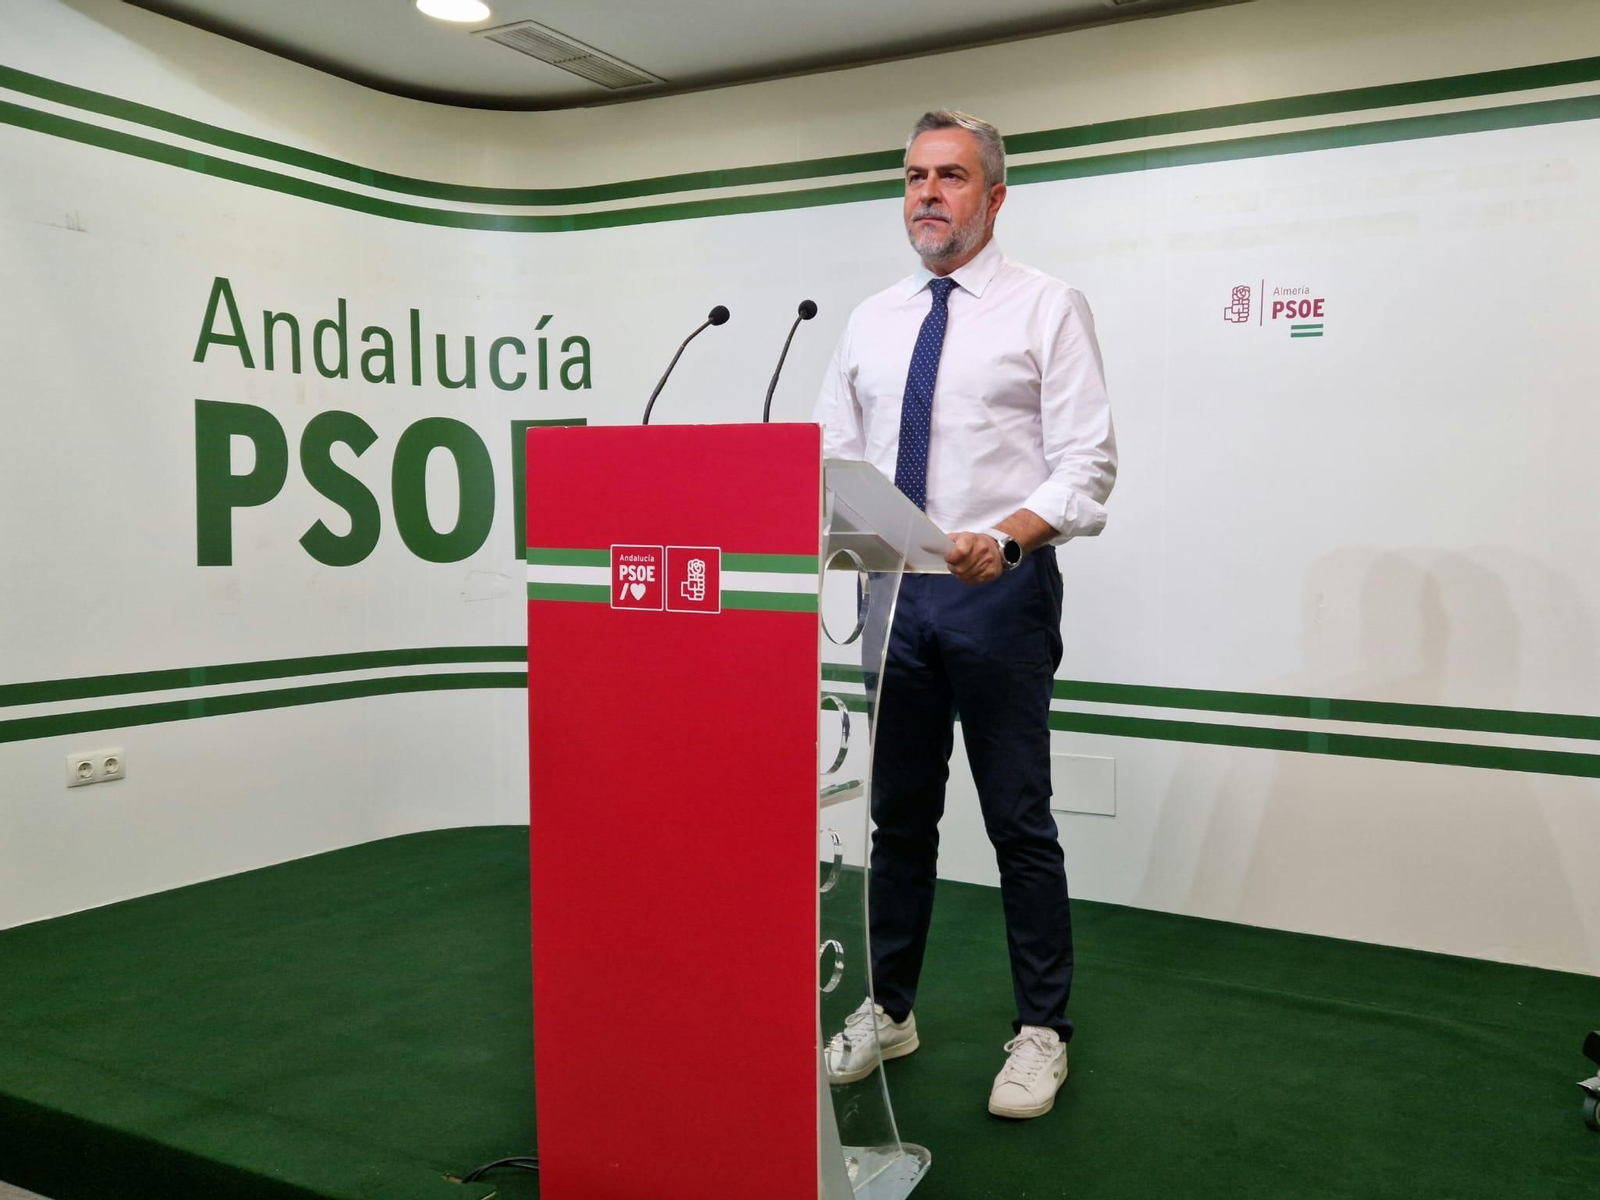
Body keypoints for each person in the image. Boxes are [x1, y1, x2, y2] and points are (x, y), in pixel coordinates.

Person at [813, 110, 1117, 1119]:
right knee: (898, 820)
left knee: (1017, 820)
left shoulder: (1046, 308)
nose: (925, 195)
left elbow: (1087, 464)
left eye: (949, 177)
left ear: (993, 195)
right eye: (911, 176)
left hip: (997, 590)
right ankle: (888, 1007)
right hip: (890, 592)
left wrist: (1012, 535)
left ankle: (1041, 1032)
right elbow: (834, 456)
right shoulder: (871, 319)